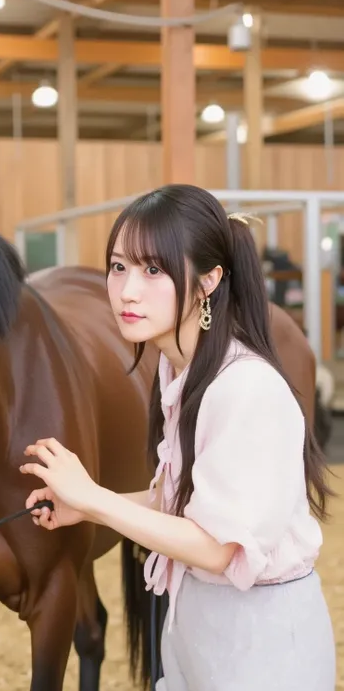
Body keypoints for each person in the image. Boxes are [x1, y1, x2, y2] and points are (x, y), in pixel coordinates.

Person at [20, 184, 336, 691]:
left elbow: (217, 546)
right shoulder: (179, 372)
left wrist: (96, 499)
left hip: (260, 645)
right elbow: (190, 500)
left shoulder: (246, 387)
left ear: (209, 280)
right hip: (199, 628)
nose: (126, 290)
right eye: (119, 267)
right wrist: (88, 506)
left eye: (153, 270)